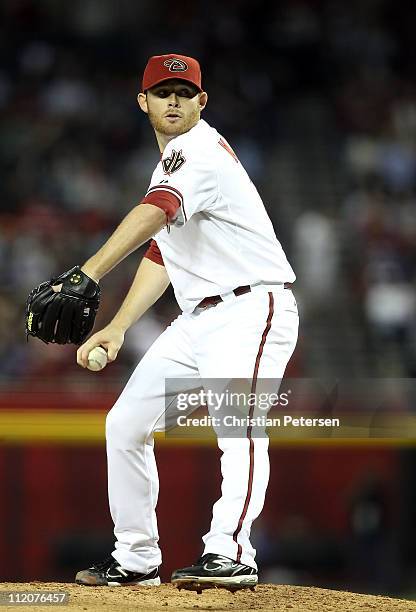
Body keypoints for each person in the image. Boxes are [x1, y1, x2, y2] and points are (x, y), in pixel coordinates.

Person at [74, 53, 299, 591]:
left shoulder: (198, 153)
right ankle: (135, 557)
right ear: (143, 102)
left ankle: (231, 552)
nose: (172, 100)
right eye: (161, 91)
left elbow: (155, 212)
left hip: (251, 308)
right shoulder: (171, 161)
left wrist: (88, 273)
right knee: (125, 424)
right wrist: (120, 325)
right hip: (198, 319)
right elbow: (162, 251)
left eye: (183, 91)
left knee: (237, 427)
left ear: (201, 101)